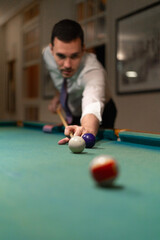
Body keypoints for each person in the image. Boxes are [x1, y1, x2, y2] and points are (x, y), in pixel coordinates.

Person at [43, 19, 117, 144]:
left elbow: (92, 102)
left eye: (74, 56)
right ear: (51, 49)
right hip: (73, 112)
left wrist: (87, 129)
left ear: (83, 50)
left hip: (102, 113)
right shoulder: (47, 55)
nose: (67, 65)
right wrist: (58, 96)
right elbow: (61, 79)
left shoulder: (93, 70)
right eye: (61, 56)